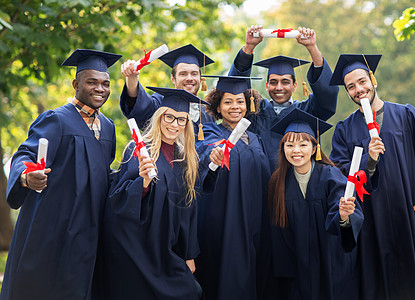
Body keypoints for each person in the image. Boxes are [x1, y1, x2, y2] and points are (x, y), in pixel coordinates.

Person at [1, 49, 121, 299]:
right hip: (54, 231)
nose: (100, 88)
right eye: (92, 82)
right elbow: (25, 155)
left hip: (90, 231)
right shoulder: (56, 120)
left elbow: (104, 175)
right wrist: (26, 177)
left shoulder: (108, 128)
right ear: (76, 84)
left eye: (105, 83)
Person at [329, 54, 415, 300]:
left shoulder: (406, 115)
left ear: (373, 80)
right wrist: (368, 160)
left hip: (410, 214)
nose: (358, 90)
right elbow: (340, 172)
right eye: (351, 87)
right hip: (372, 221)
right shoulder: (345, 130)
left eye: (362, 82)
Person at [100, 87, 205, 300]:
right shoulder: (139, 150)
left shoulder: (187, 160)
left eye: (181, 120)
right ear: (159, 117)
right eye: (169, 117)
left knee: (193, 292)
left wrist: (189, 254)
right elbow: (117, 201)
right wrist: (143, 182)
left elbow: (188, 210)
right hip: (138, 248)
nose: (174, 124)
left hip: (168, 250)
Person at [268, 108, 363, 300]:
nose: (296, 151)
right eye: (289, 145)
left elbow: (342, 209)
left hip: (331, 262)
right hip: (297, 266)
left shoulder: (330, 175)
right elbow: (278, 231)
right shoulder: (278, 181)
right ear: (282, 148)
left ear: (314, 148)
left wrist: (343, 215)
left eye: (303, 144)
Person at [194, 75, 272, 300]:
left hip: (256, 223)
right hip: (225, 224)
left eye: (240, 101)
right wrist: (214, 157)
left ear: (248, 103)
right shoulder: (211, 134)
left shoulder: (255, 139)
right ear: (218, 106)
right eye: (228, 102)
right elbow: (206, 152)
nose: (235, 107)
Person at [228, 25, 339, 171]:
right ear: (267, 86)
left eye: (285, 82)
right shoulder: (254, 110)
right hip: (258, 184)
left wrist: (312, 47)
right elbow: (235, 89)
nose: (279, 87)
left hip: (296, 187)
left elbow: (327, 95)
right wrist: (249, 47)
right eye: (273, 82)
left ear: (295, 86)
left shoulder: (308, 111)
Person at [120, 44, 215, 135]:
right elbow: (139, 104)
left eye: (194, 74)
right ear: (173, 78)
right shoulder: (161, 102)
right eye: (183, 74)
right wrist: (132, 77)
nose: (189, 78)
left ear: (200, 78)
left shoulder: (207, 112)